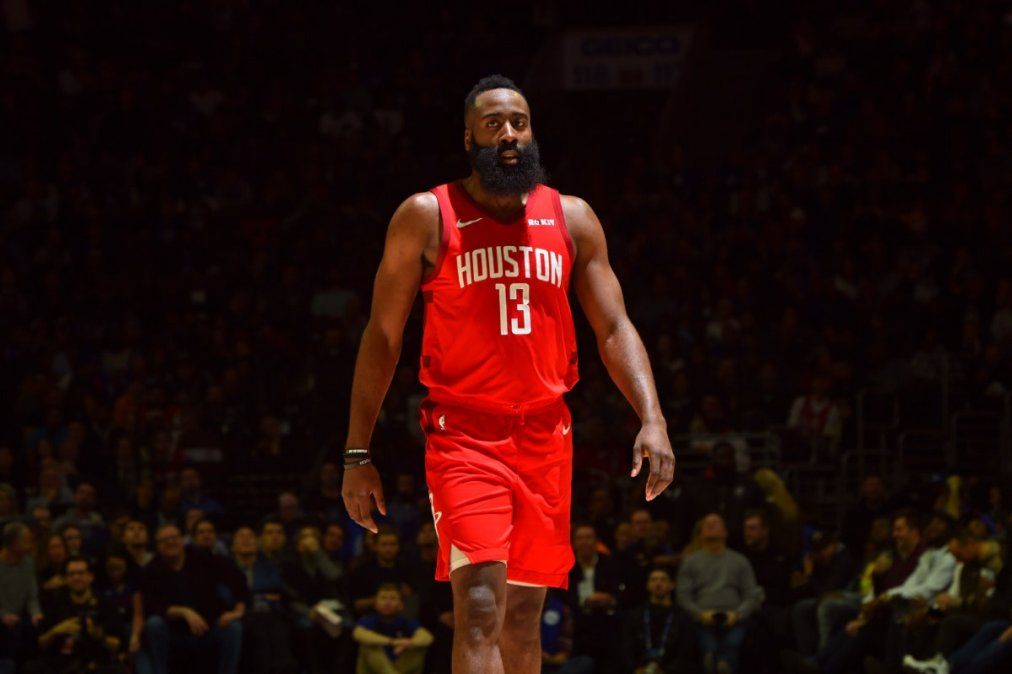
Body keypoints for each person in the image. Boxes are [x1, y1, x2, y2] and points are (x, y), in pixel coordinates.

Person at [342, 74, 675, 674]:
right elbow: (383, 337)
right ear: (468, 138)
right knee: (478, 605)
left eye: (519, 122)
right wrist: (356, 452)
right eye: (492, 124)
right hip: (465, 434)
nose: (508, 134)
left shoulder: (572, 218)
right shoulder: (427, 215)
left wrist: (652, 417)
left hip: (546, 434)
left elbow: (614, 327)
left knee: (523, 620)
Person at [138, 523, 247, 674]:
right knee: (154, 624)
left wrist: (239, 610)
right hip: (174, 633)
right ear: (157, 546)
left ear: (182, 540)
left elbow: (237, 578)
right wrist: (183, 612)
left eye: (174, 538)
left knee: (233, 627)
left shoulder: (202, 557)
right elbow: (153, 606)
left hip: (208, 627)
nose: (170, 542)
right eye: (164, 540)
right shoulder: (151, 570)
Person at [676, 513, 764, 674]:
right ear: (700, 533)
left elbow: (751, 594)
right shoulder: (690, 562)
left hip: (735, 618)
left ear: (725, 532)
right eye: (707, 524)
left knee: (731, 644)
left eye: (716, 522)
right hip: (702, 619)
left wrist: (738, 614)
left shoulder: (740, 561)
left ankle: (725, 663)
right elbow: (683, 596)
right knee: (708, 647)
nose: (711, 525)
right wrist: (700, 614)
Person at [28, 555, 125, 674]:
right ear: (65, 579)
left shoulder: (105, 604)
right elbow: (40, 643)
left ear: (90, 576)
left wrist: (99, 635)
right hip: (61, 664)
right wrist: (56, 631)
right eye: (71, 574)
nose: (76, 577)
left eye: (81, 573)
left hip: (95, 664)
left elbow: (117, 645)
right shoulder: (55, 603)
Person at [567, 523, 621, 670]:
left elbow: (618, 592)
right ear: (574, 542)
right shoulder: (568, 566)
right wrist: (585, 602)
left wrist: (609, 599)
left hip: (606, 622)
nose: (584, 541)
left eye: (588, 537)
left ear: (597, 541)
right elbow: (564, 596)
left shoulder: (609, 562)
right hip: (578, 624)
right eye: (580, 538)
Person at [353, 583, 433, 674]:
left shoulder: (406, 621)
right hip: (374, 669)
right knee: (368, 646)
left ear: (401, 605)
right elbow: (358, 633)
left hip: (399, 666)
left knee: (419, 647)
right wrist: (392, 642)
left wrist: (409, 643)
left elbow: (427, 637)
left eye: (393, 598)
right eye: (383, 598)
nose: (388, 602)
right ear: (375, 604)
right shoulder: (368, 619)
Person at [625, 567, 692, 673]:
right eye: (654, 580)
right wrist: (635, 668)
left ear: (672, 585)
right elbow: (626, 648)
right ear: (647, 585)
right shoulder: (635, 615)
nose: (658, 583)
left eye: (663, 580)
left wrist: (667, 671)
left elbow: (686, 652)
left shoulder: (682, 617)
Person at [0, 522, 43, 668]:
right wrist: (3, 616)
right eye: (27, 541)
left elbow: (32, 595)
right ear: (14, 543)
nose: (31, 545)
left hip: (20, 618)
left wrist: (35, 613)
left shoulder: (28, 563)